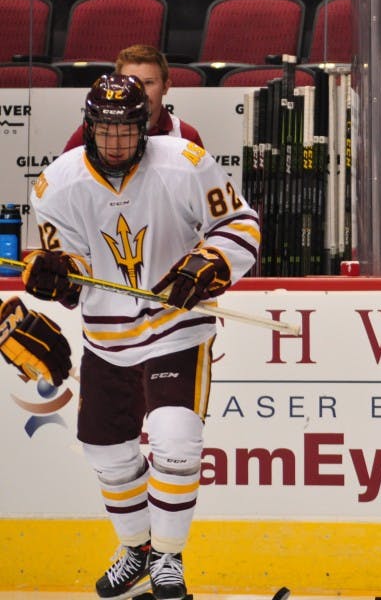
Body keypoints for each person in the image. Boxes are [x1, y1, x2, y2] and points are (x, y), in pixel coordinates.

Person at [23, 74, 260, 599]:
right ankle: (138, 549)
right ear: (88, 128)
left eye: (126, 130)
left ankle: (169, 559)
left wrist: (210, 263)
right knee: (106, 452)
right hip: (107, 337)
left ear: (144, 127)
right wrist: (56, 274)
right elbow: (70, 263)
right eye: (105, 131)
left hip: (178, 328)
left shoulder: (185, 163)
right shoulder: (55, 184)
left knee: (176, 439)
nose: (115, 142)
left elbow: (241, 224)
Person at [63, 44, 204, 152]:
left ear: (166, 87)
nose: (140, 92)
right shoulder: (91, 132)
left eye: (148, 82)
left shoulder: (186, 136)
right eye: (131, 83)